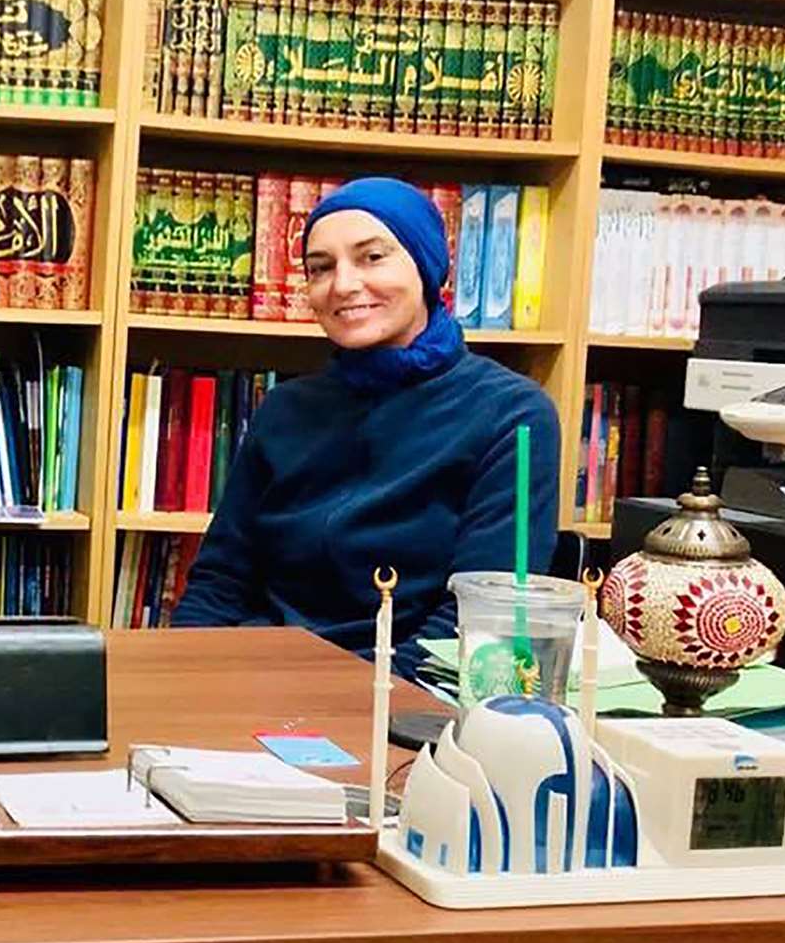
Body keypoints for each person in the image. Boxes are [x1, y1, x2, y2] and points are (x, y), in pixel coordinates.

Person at [171, 177, 559, 676]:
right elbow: (219, 585)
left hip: (400, 697)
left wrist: (360, 704)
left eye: (372, 257)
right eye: (321, 268)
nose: (345, 284)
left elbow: (479, 619)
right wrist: (178, 677)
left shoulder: (513, 416)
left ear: (426, 267)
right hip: (257, 680)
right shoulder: (284, 410)